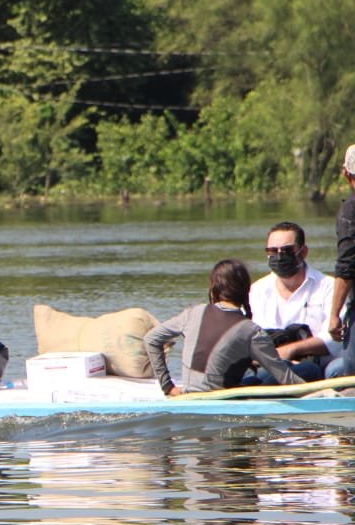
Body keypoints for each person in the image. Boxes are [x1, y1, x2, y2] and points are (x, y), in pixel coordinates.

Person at [144, 259, 304, 396]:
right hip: (219, 400)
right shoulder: (252, 331)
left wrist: (168, 387)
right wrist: (324, 394)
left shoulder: (193, 313)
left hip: (188, 395)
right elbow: (286, 378)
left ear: (214, 288)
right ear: (246, 290)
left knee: (255, 378)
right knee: (308, 369)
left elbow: (151, 339)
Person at [246, 222, 332, 382]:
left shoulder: (328, 286)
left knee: (337, 369)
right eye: (272, 251)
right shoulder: (256, 290)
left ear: (303, 251)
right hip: (271, 365)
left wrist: (291, 350)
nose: (279, 256)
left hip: (320, 366)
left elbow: (334, 339)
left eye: (287, 250)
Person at [327, 144, 355, 379]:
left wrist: (335, 314)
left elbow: (347, 265)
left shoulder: (351, 210)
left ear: (346, 173)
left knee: (350, 373)